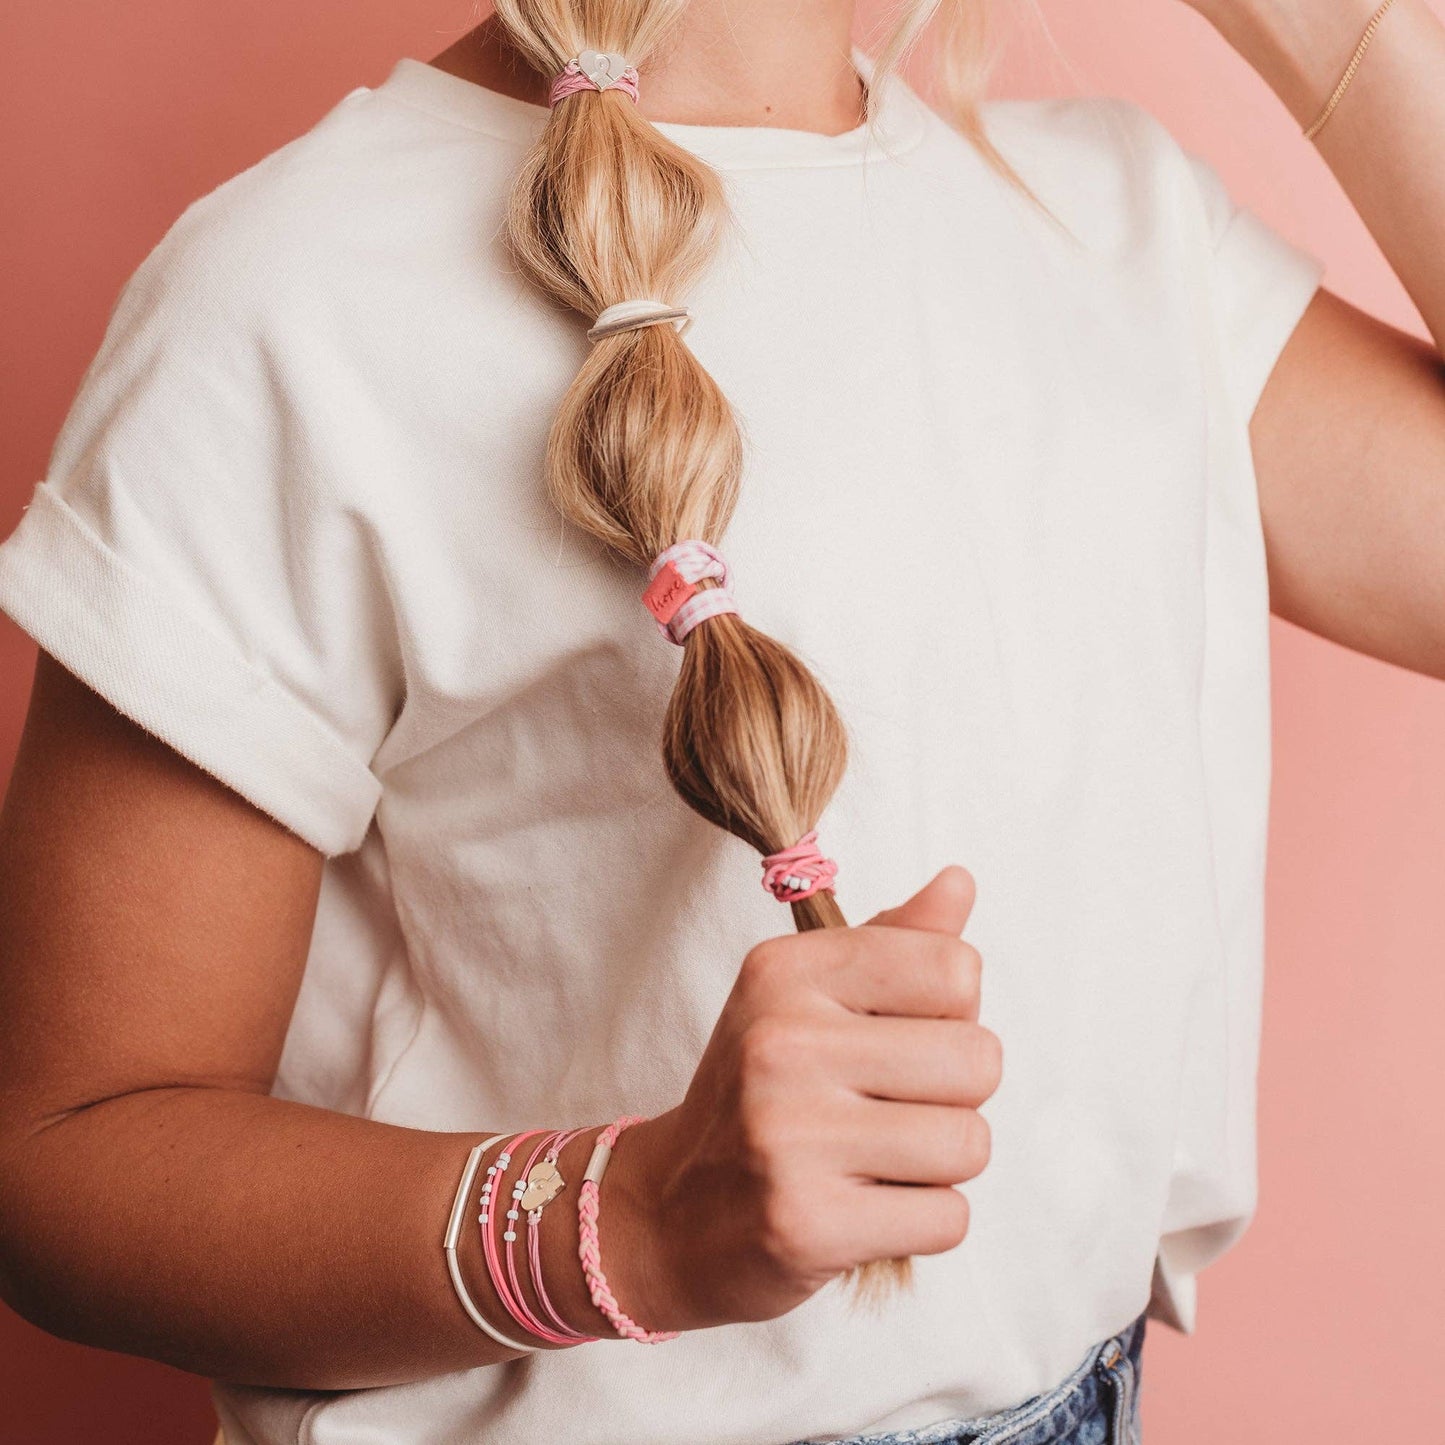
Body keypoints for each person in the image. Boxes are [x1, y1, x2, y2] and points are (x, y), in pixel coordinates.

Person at [0, 0, 1442, 1440]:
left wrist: (1335, 31)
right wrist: (626, 1221)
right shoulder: (297, 294)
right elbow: (66, 1156)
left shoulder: (1109, 214)